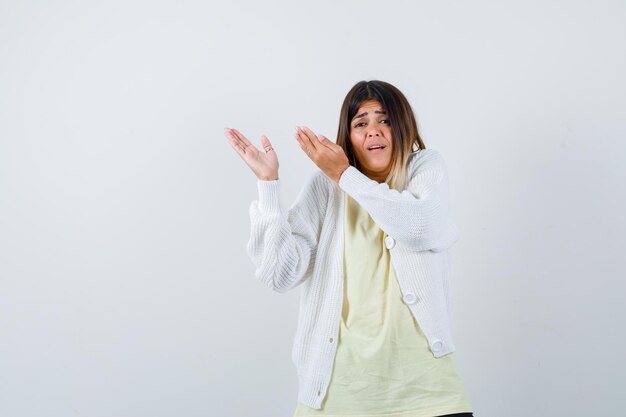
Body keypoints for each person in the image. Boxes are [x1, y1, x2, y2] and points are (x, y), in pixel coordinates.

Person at [224, 80, 474, 417]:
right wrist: (268, 188)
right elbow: (279, 275)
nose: (373, 131)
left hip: (427, 393)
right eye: (361, 123)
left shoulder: (424, 168)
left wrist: (344, 174)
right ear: (349, 136)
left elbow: (420, 228)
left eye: (384, 120)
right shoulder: (326, 188)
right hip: (335, 396)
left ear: (403, 128)